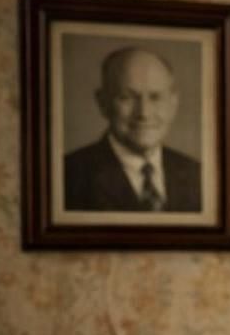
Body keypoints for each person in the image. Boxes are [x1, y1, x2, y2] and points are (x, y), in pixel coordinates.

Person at [64, 46, 202, 212]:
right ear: (103, 103)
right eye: (126, 97)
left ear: (173, 103)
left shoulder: (197, 175)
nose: (143, 113)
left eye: (155, 97)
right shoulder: (68, 176)